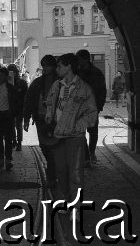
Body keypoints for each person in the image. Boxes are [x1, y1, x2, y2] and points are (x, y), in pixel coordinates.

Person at [45, 53, 96, 208]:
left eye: (60, 66)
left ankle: (76, 207)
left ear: (69, 67)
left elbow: (92, 114)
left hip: (75, 137)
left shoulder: (84, 88)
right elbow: (50, 104)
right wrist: (48, 116)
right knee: (61, 171)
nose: (57, 69)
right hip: (58, 135)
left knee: (76, 174)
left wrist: (78, 126)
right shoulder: (56, 85)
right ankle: (67, 201)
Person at [23, 55, 59, 187]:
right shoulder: (38, 82)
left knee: (55, 146)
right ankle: (52, 170)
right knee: (44, 146)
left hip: (57, 120)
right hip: (41, 118)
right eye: (44, 65)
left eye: (48, 65)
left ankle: (52, 173)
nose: (45, 68)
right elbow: (29, 100)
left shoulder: (61, 82)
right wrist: (26, 118)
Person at [76, 49, 106, 166]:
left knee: (93, 131)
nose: (77, 61)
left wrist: (99, 107)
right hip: (78, 108)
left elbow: (102, 91)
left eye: (78, 59)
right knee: (80, 132)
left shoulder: (96, 73)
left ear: (84, 59)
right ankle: (86, 155)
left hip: (92, 107)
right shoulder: (76, 72)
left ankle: (92, 152)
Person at [7, 64, 28, 151]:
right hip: (9, 107)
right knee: (11, 126)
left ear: (16, 72)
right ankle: (14, 141)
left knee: (18, 125)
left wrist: (25, 108)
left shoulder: (22, 82)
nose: (12, 74)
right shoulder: (7, 82)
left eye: (13, 72)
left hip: (19, 107)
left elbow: (26, 96)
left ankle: (19, 142)